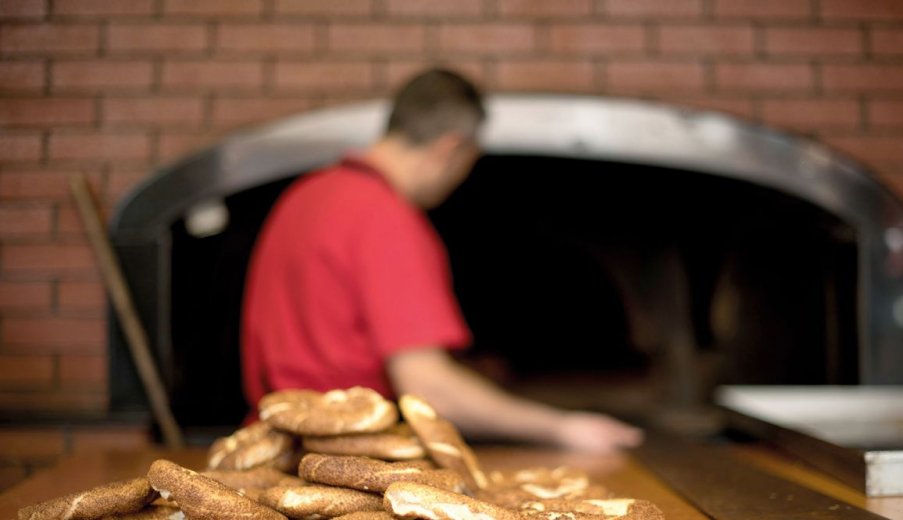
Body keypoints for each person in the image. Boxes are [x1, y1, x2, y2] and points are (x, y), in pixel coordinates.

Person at [241, 69, 642, 453]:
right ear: (451, 148)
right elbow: (428, 387)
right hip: (343, 463)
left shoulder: (305, 194)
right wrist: (562, 428)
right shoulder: (387, 218)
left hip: (267, 448)